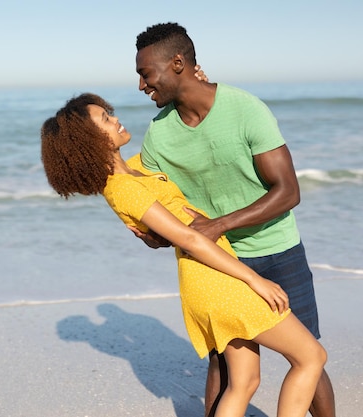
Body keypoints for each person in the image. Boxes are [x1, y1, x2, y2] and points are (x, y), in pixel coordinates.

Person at [40, 92, 326, 417]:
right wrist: (255, 279)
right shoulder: (121, 188)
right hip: (217, 281)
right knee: (311, 356)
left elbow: (177, 185)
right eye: (105, 119)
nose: (115, 118)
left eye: (109, 113)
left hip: (215, 273)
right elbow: (190, 238)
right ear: (88, 140)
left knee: (244, 381)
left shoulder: (135, 171)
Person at [132, 22, 335, 417]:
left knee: (308, 353)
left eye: (145, 73)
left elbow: (287, 191)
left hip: (277, 251)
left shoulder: (244, 109)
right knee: (225, 367)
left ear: (178, 64)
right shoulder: (157, 136)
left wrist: (218, 224)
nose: (142, 85)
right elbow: (163, 209)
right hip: (217, 264)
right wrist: (154, 234)